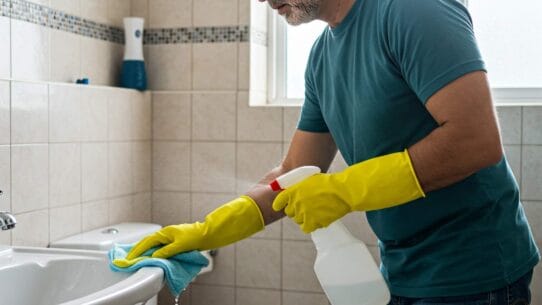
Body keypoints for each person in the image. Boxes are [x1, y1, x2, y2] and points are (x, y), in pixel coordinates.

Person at [123, 0, 540, 303]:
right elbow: (294, 170)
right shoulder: (323, 58)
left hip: (476, 274)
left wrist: (343, 191)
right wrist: (206, 231)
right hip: (400, 272)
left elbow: (476, 140)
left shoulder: (414, 10)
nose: (267, 1)